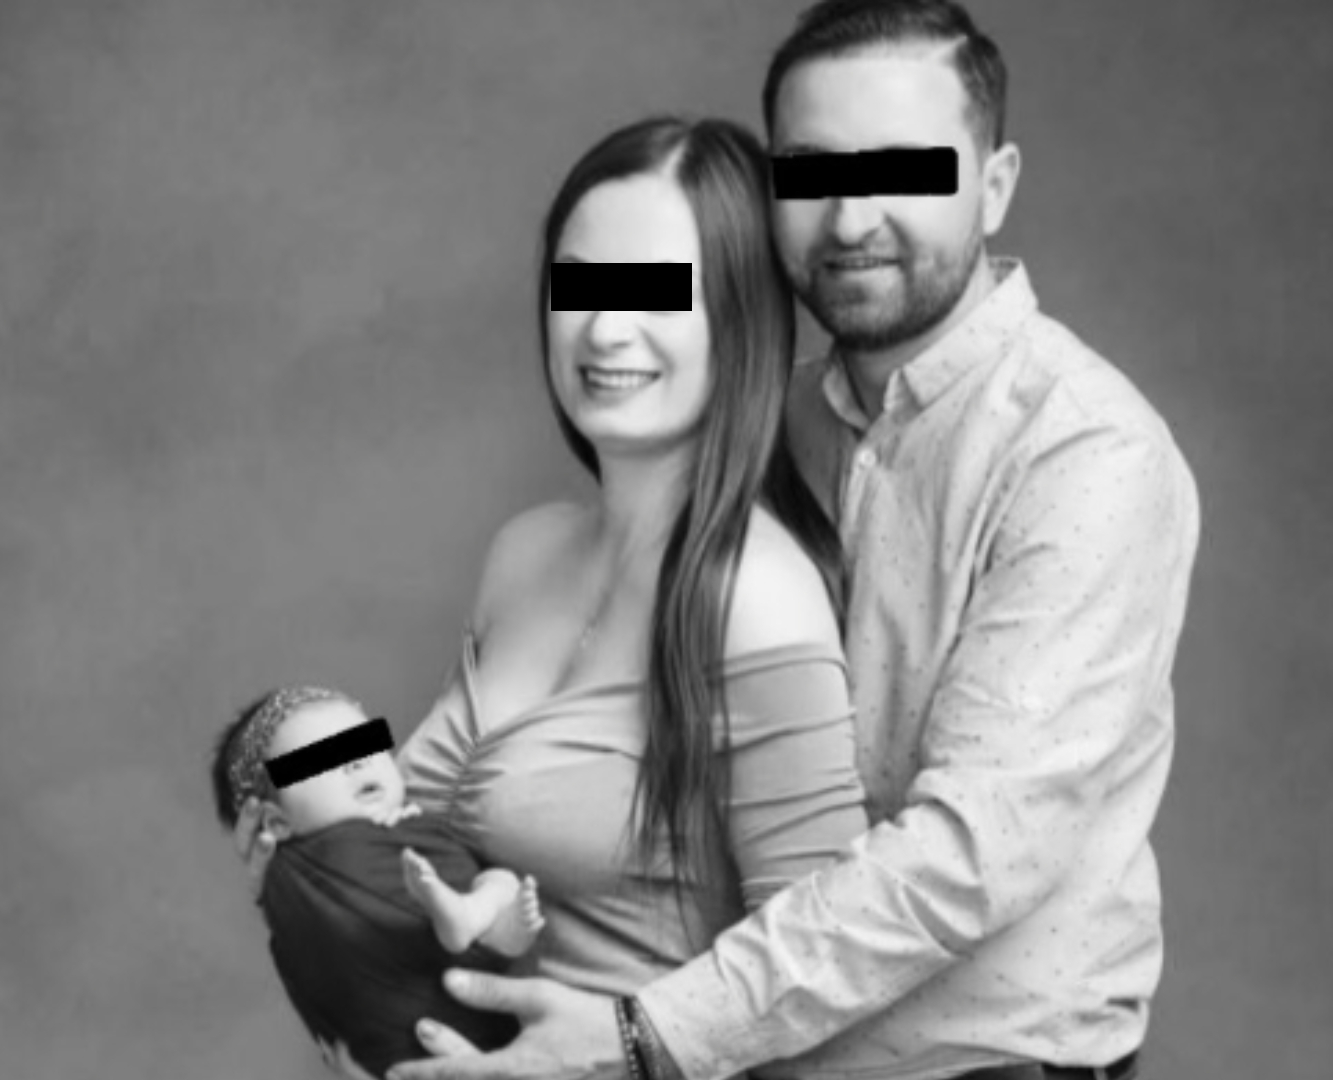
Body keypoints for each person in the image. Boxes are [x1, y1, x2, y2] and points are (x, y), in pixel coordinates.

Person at [385, 3, 1202, 1080]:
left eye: (904, 170)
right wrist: (294, 792)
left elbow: (974, 850)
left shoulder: (1085, 454)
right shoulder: (766, 433)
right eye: (811, 175)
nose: (852, 218)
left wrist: (643, 1036)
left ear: (995, 184)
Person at [230, 114, 873, 1074]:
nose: (606, 328)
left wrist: (626, 1049)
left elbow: (826, 970)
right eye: (579, 286)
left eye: (656, 290)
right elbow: (416, 822)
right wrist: (300, 859)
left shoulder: (756, 596)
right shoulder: (526, 552)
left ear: (741, 319)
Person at [209, 685, 549, 1077]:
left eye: (366, 743)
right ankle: (477, 918)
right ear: (276, 823)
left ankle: (476, 918)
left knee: (496, 884)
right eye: (322, 758)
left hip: (444, 1041)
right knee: (498, 882)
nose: (358, 762)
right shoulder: (327, 862)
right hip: (448, 1022)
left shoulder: (397, 833)